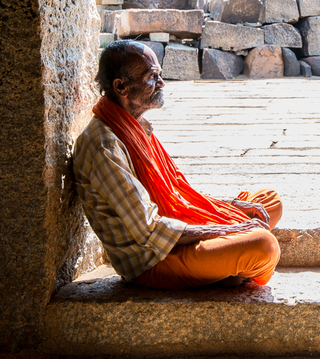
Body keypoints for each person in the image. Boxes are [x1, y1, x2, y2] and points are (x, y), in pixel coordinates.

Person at [72, 40, 282, 289]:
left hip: (172, 230)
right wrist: (222, 230)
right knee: (264, 246)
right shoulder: (104, 145)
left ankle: (225, 265)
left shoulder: (135, 126)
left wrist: (228, 207)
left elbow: (178, 193)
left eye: (159, 75)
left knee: (269, 201)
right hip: (154, 258)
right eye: (152, 76)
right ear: (121, 87)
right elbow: (149, 229)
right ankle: (227, 272)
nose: (161, 83)